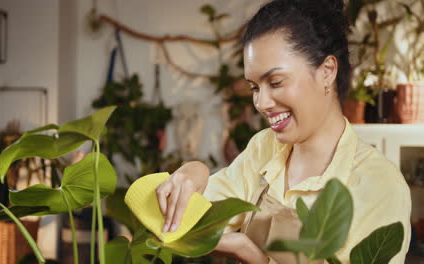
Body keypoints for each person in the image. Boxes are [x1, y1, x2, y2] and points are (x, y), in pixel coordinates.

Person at [156, 0, 411, 263]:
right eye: (254, 87)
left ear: (327, 71)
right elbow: (187, 222)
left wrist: (253, 256)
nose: (261, 103)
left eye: (275, 82)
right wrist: (195, 171)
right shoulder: (264, 148)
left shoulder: (379, 184)